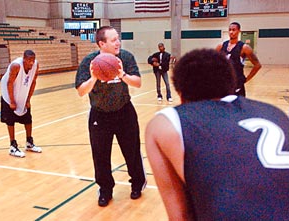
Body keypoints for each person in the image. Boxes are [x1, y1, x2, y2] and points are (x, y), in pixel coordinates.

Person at [145, 48, 289, 220]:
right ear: (231, 82)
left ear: (180, 94)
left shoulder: (166, 122)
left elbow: (180, 216)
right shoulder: (275, 113)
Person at [75, 26, 147, 207]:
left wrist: (122, 74)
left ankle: (137, 184)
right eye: (113, 40)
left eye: (118, 39)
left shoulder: (126, 57)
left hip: (124, 111)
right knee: (100, 156)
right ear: (102, 43)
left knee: (132, 152)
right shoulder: (89, 62)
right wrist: (93, 78)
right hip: (100, 114)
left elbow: (137, 83)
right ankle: (105, 190)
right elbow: (81, 91)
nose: (118, 42)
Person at [0, 50, 42, 158]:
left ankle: (29, 142)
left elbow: (33, 82)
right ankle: (12, 146)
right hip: (8, 94)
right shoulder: (16, 66)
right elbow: (9, 83)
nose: (31, 63)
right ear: (24, 59)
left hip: (22, 91)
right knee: (10, 120)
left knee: (28, 118)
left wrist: (28, 99)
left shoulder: (35, 65)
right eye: (29, 60)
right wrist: (12, 101)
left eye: (33, 60)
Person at [216, 22, 262, 97]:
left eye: (234, 30)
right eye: (230, 30)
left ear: (239, 31)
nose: (231, 32)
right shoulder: (221, 46)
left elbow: (257, 65)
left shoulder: (244, 48)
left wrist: (246, 79)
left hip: (237, 85)